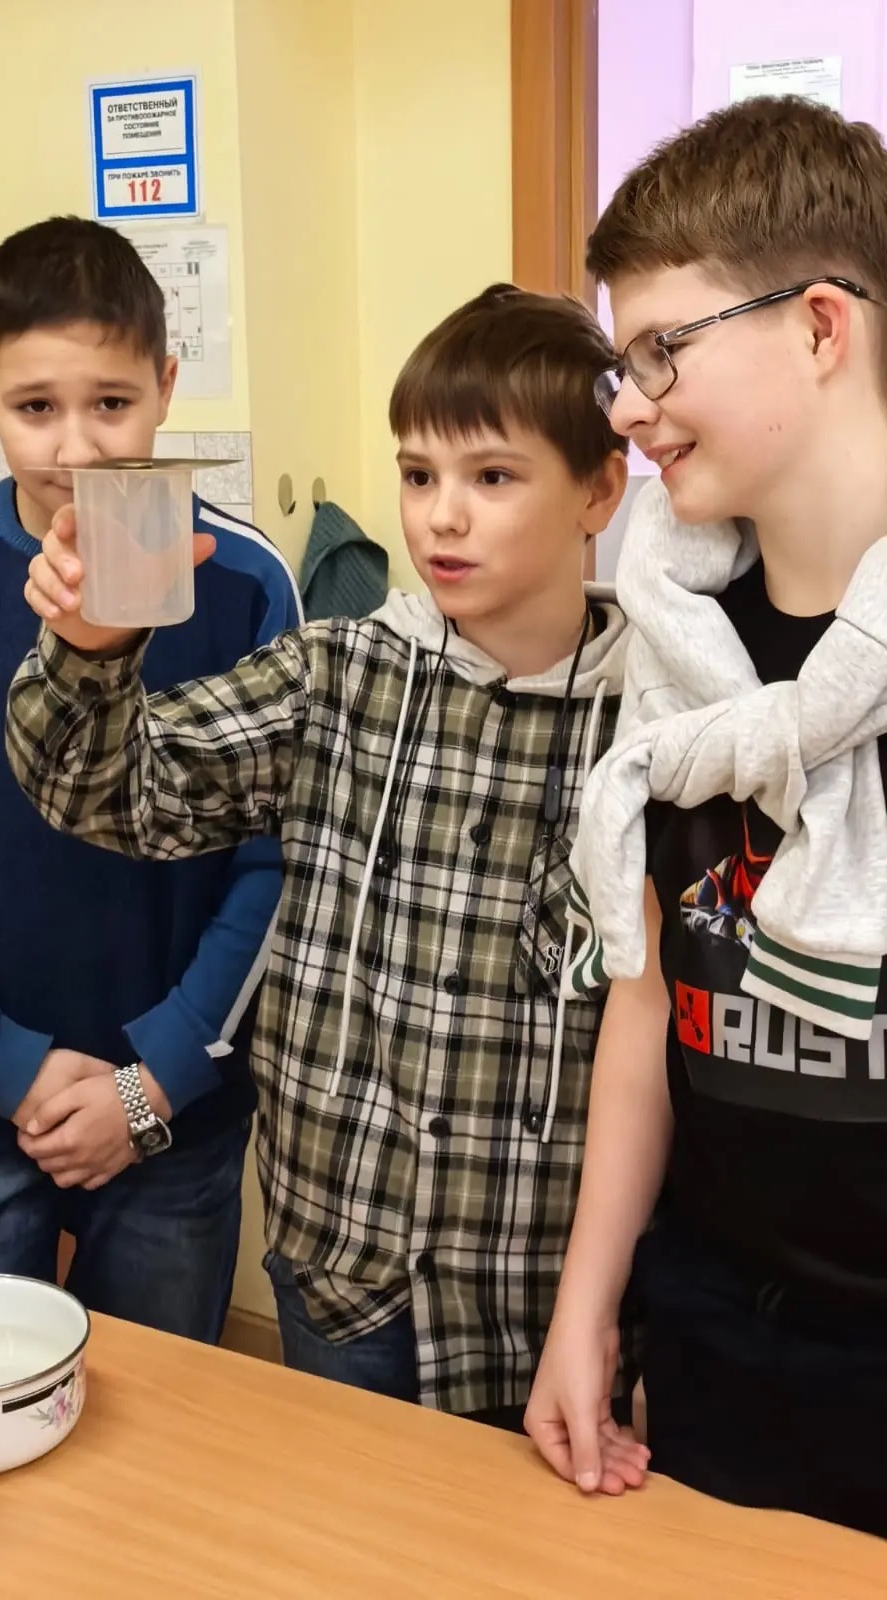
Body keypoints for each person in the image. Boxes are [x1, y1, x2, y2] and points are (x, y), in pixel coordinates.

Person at [4, 283, 630, 1424]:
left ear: (598, 488)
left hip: (537, 1295)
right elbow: (102, 792)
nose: (441, 517)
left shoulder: (653, 725)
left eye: (493, 477)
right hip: (342, 1272)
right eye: (418, 475)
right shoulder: (335, 675)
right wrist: (88, 649)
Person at [0, 216, 301, 1342]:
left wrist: (158, 1076)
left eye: (113, 402)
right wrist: (7, 1067)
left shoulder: (245, 581)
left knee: (159, 1425)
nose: (78, 448)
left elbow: (281, 858)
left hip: (169, 1124)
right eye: (36, 407)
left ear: (166, 387)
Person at [524, 96, 887, 1537]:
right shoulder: (680, 644)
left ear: (819, 326)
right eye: (624, 363)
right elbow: (650, 994)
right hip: (718, 1334)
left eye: (663, 351)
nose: (627, 406)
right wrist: (587, 1300)